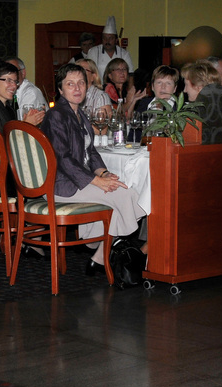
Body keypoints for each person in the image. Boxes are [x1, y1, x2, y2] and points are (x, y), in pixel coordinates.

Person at [41, 63, 146, 275]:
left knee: (125, 191)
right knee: (127, 196)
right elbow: (63, 158)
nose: (77, 88)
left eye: (81, 83)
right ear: (60, 89)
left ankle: (99, 254)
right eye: (70, 84)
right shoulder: (57, 115)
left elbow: (91, 151)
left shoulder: (78, 113)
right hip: (61, 185)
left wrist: (104, 173)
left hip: (77, 180)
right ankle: (105, 248)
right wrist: (97, 181)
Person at [0, 62, 44, 133]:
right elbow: (0, 140)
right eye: (9, 81)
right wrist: (26, 125)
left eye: (15, 81)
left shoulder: (7, 107)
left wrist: (23, 123)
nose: (14, 86)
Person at [182, 61, 222, 144]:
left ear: (198, 86)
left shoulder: (195, 117)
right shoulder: (220, 112)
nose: (185, 90)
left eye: (186, 85)